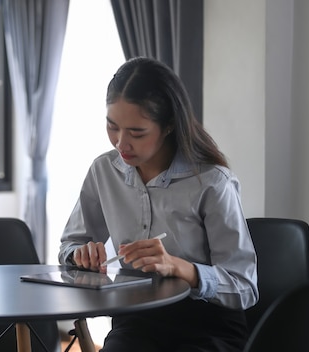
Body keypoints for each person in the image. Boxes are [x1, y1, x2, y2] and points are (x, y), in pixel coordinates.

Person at [58, 57, 258, 352]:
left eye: (137, 133)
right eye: (112, 127)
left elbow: (245, 286)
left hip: (207, 326)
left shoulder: (213, 182)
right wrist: (80, 255)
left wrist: (180, 267)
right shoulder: (103, 172)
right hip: (135, 322)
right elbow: (69, 246)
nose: (120, 143)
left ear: (168, 127)